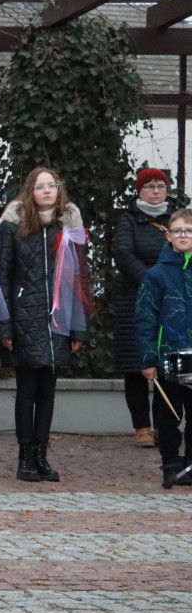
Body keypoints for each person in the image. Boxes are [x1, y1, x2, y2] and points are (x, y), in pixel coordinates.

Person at [0, 167, 89, 483]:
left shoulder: (70, 226)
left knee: (48, 392)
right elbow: (2, 276)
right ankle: (24, 457)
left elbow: (80, 279)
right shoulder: (14, 226)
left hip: (58, 321)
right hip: (24, 318)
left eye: (52, 185)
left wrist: (79, 328)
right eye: (40, 186)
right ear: (30, 191)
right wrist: (4, 325)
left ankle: (41, 456)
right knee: (26, 390)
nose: (47, 191)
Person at [113, 168, 178, 448]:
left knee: (168, 367)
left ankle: (166, 425)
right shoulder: (128, 220)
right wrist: (152, 281)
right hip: (136, 300)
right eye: (149, 186)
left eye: (160, 185)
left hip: (173, 300)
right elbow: (123, 254)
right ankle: (142, 427)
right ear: (139, 190)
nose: (155, 190)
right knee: (136, 367)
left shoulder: (178, 218)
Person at [135, 208, 192, 486]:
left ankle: (190, 465)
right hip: (168, 358)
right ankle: (171, 464)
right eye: (179, 231)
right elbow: (145, 317)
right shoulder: (156, 275)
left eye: (189, 231)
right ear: (169, 235)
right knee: (169, 415)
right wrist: (148, 359)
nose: (184, 236)